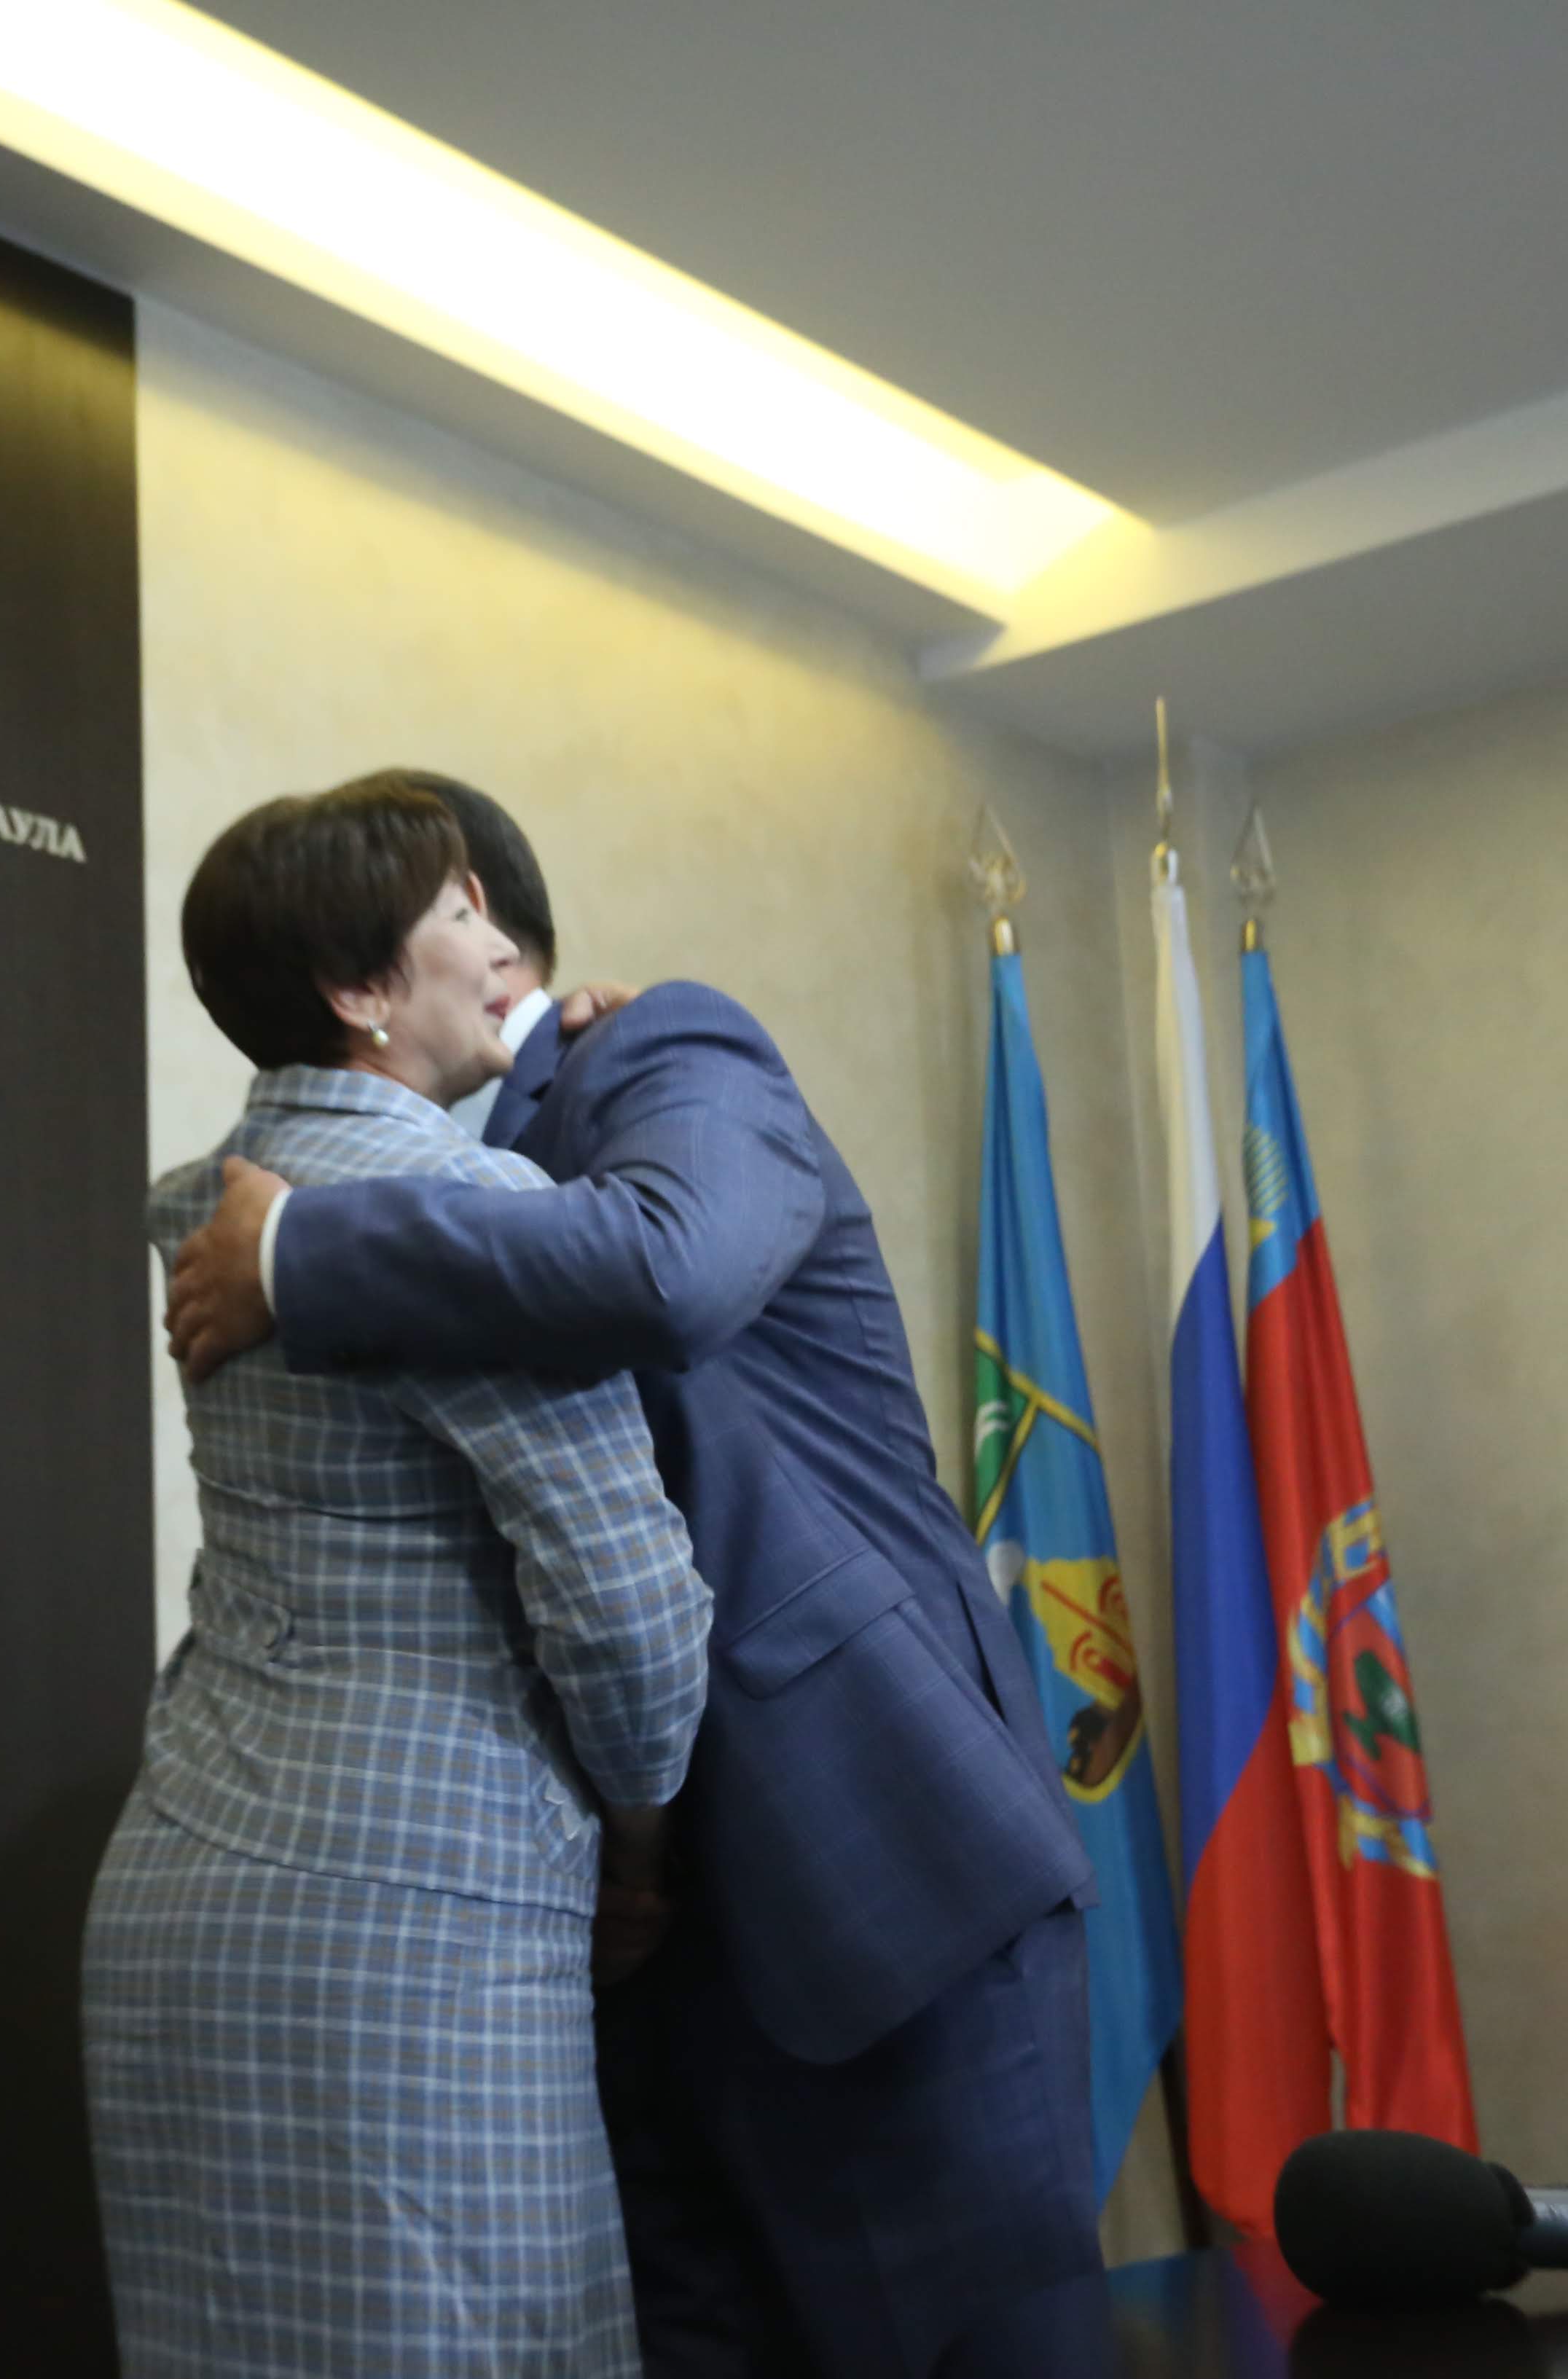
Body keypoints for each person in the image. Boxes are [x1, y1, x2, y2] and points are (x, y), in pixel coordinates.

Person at [162, 772, 1102, 2379]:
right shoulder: (382, 1161)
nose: (462, 933)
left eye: (458, 901)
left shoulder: (664, 1051)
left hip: (869, 1863)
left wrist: (291, 1252)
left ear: (492, 936)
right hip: (584, 1935)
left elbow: (670, 1266)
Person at [85, 776, 713, 2378]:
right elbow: (629, 1615)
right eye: (456, 915)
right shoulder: (472, 1208)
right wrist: (640, 1848)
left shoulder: (200, 1201)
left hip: (177, 1887)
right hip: (421, 1921)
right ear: (360, 990)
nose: (504, 945)